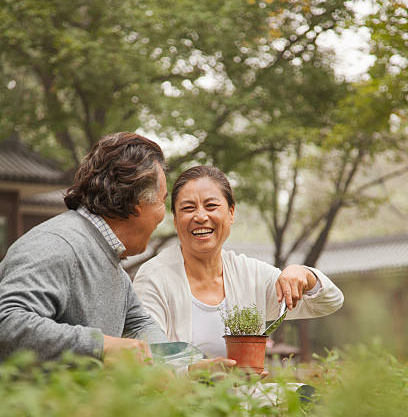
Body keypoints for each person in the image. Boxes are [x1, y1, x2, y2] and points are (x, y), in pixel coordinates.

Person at [133, 166, 344, 363]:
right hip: (178, 400)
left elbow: (329, 302)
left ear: (231, 213)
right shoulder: (154, 278)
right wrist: (193, 372)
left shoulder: (250, 275)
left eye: (211, 206)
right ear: (176, 219)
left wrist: (304, 274)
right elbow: (149, 358)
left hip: (244, 399)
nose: (200, 216)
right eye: (188, 208)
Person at [0, 132, 168, 362]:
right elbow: (8, 323)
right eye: (162, 200)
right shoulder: (56, 244)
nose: (163, 214)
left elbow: (139, 325)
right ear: (138, 202)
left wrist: (185, 367)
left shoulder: (111, 260)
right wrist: (102, 346)